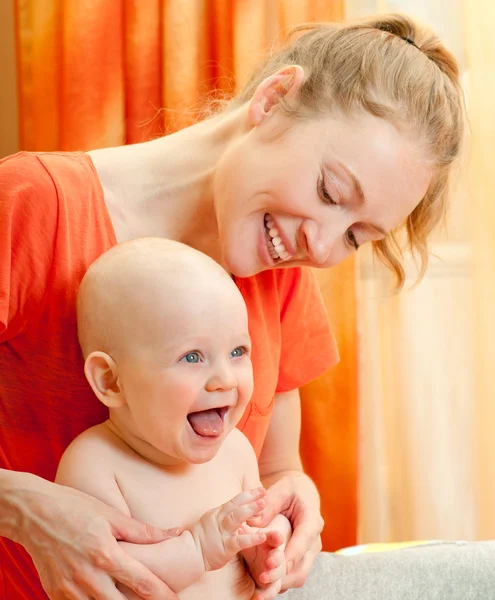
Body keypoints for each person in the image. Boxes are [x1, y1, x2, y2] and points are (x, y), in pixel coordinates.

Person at [0, 12, 465, 600]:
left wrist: (294, 508)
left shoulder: (282, 279)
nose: (319, 247)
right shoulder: (33, 208)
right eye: (329, 192)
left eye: (355, 236)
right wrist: (20, 509)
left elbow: (275, 472)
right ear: (274, 99)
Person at [56, 237, 292, 600]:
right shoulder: (95, 465)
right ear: (111, 381)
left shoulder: (236, 451)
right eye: (192, 357)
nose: (225, 379)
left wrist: (263, 554)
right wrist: (197, 549)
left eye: (237, 351)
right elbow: (104, 578)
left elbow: (244, 540)